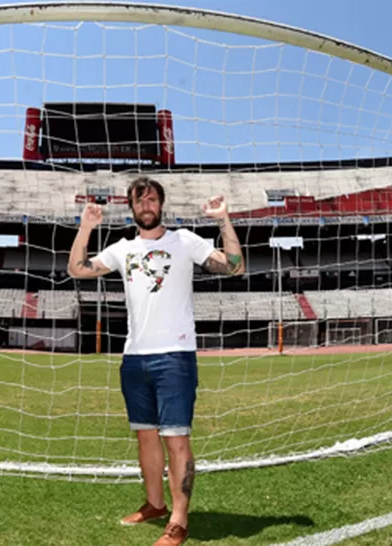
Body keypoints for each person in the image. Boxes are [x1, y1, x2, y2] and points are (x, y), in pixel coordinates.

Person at [67, 176, 245, 546]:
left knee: (176, 439)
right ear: (131, 208)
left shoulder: (183, 241)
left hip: (175, 357)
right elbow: (77, 269)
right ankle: (154, 504)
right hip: (134, 358)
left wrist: (223, 219)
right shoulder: (121, 249)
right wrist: (86, 227)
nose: (146, 205)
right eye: (139, 200)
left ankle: (179, 519)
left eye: (151, 199)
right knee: (145, 436)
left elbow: (233, 266)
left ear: (161, 204)